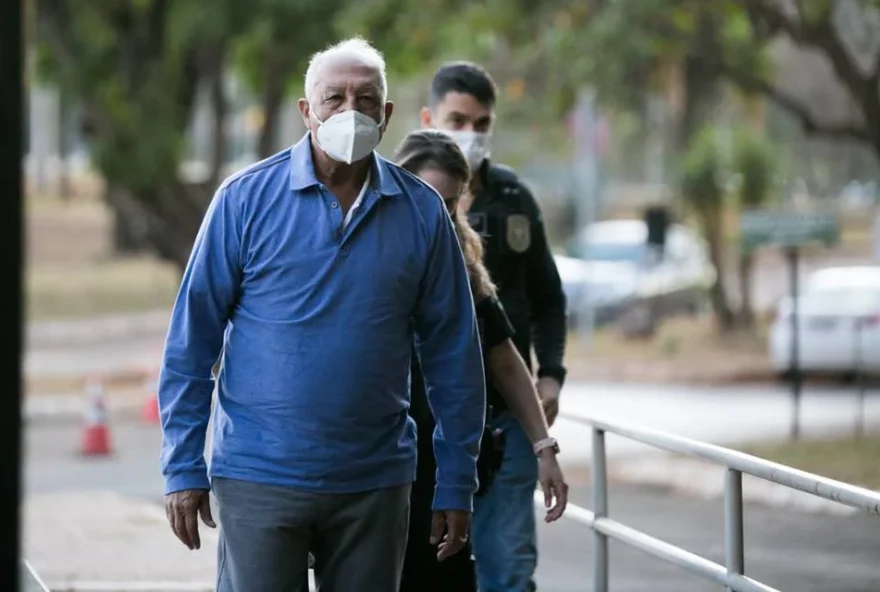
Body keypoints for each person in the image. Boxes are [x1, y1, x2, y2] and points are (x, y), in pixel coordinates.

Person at [158, 38, 487, 592]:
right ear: (306, 112)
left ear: (386, 116)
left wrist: (457, 480)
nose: (350, 112)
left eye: (366, 100)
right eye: (334, 98)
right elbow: (191, 343)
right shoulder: (244, 201)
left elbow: (455, 356)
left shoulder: (421, 212)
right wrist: (183, 466)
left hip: (374, 481)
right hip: (260, 475)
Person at [394, 130, 569, 592]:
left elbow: (506, 361)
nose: (437, 216)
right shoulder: (365, 258)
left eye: (449, 205)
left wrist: (543, 448)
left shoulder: (462, 269)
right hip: (376, 468)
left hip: (445, 473)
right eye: (426, 199)